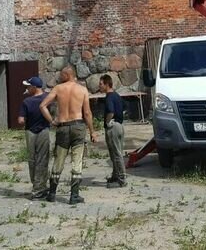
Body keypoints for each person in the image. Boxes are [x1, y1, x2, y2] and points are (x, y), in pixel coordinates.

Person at [39, 66, 97, 205]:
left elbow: (42, 106)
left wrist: (52, 121)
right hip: (78, 126)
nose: (59, 77)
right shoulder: (82, 90)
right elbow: (87, 113)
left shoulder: (58, 89)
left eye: (61, 74)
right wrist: (92, 131)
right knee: (77, 160)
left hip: (63, 127)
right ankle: (74, 195)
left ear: (66, 75)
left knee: (59, 160)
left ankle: (52, 193)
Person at [18, 76, 51, 200]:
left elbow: (21, 120)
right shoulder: (48, 98)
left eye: (28, 86)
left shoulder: (26, 102)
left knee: (32, 159)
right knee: (43, 159)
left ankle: (36, 187)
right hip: (44, 131)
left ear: (33, 87)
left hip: (30, 132)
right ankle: (41, 186)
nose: (26, 88)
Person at [99, 75, 126, 188]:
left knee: (116, 154)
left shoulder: (109, 97)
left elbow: (110, 111)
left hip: (113, 127)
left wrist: (107, 121)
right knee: (115, 152)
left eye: (100, 84)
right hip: (119, 125)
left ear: (106, 84)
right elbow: (124, 108)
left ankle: (121, 179)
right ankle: (115, 175)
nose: (99, 86)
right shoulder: (117, 95)